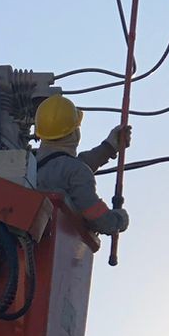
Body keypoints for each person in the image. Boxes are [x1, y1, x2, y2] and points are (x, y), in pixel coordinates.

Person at [33, 94, 130, 235]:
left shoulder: (28, 163)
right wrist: (119, 220)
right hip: (60, 247)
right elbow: (98, 219)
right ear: (74, 134)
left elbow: (68, 169)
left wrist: (109, 147)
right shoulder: (76, 172)